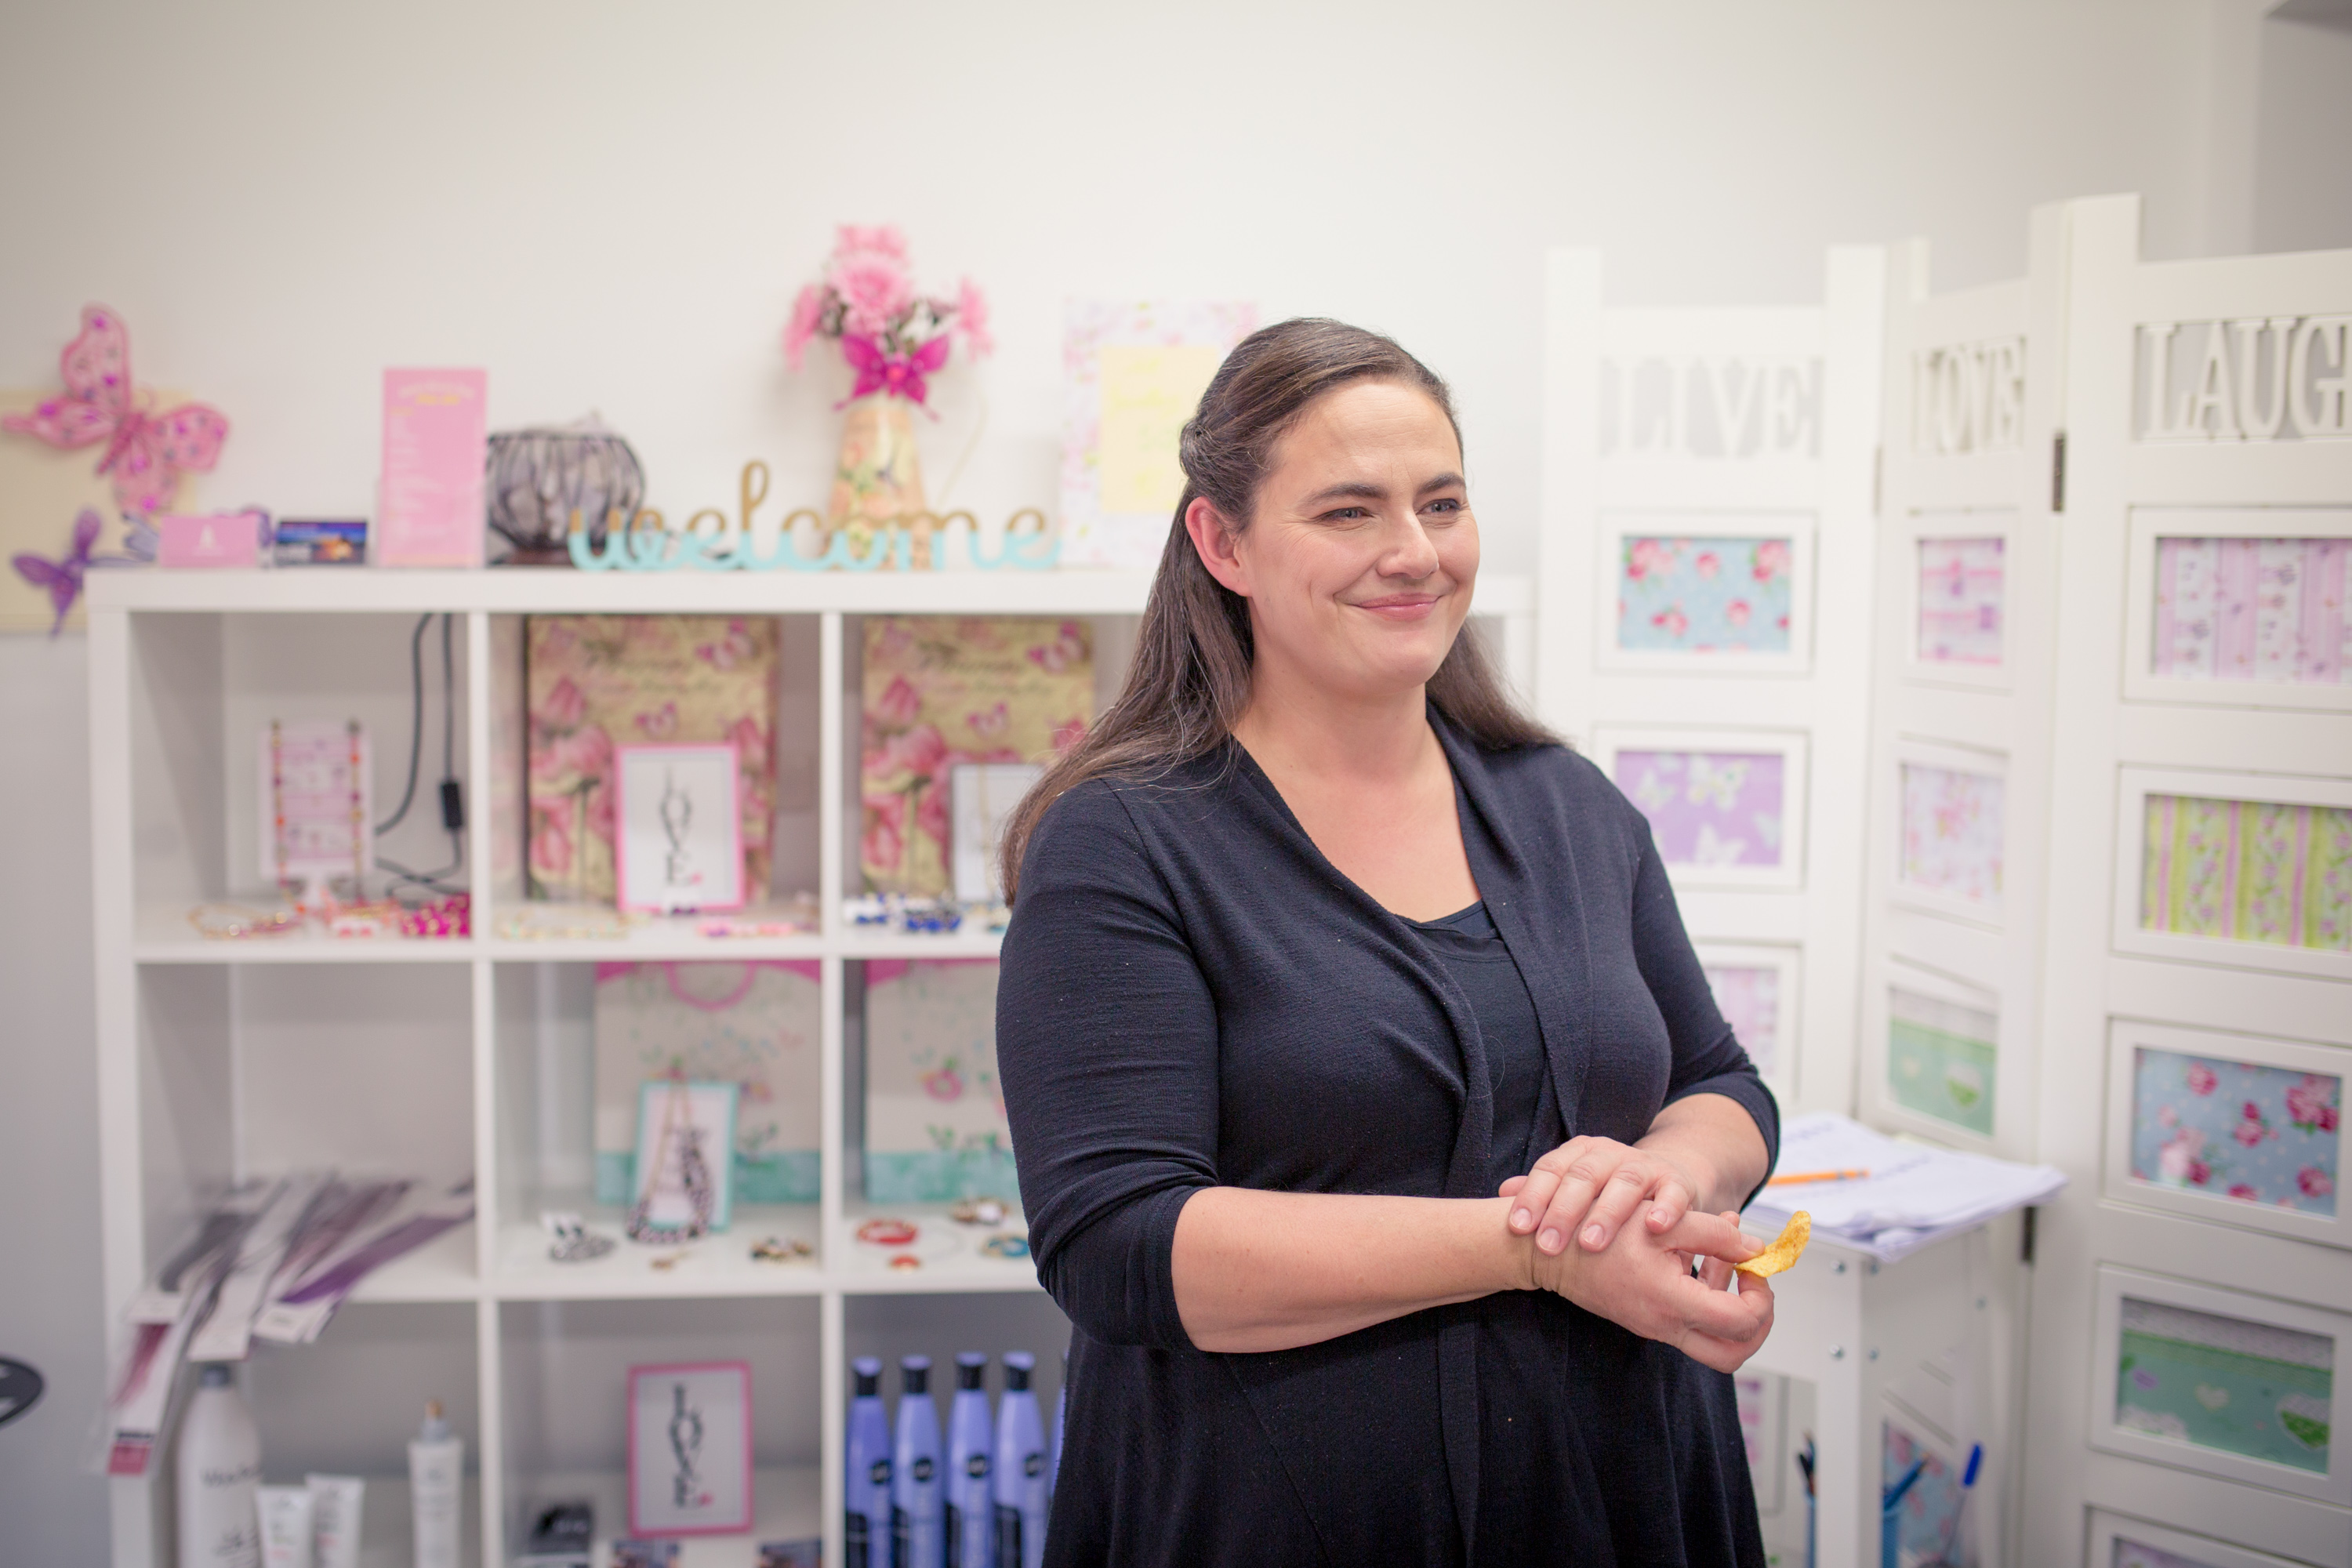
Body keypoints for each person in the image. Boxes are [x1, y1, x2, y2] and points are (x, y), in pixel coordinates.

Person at [994, 319, 1779, 1567]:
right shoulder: (1123, 843)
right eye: (1349, 512)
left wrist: (1657, 1182)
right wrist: (1536, 1253)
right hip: (1276, 1516)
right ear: (1224, 544)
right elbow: (1120, 1243)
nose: (1415, 553)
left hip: (1624, 1484)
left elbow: (1720, 1082)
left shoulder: (1567, 807)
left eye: (1442, 503)